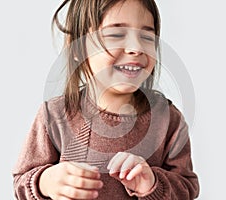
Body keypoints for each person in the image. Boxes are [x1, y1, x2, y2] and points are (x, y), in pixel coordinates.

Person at [13, 0, 200, 199]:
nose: (136, 48)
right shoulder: (54, 115)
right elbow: (20, 182)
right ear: (78, 49)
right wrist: (46, 182)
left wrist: (153, 184)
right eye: (116, 35)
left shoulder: (168, 119)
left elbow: (188, 187)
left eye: (147, 36)